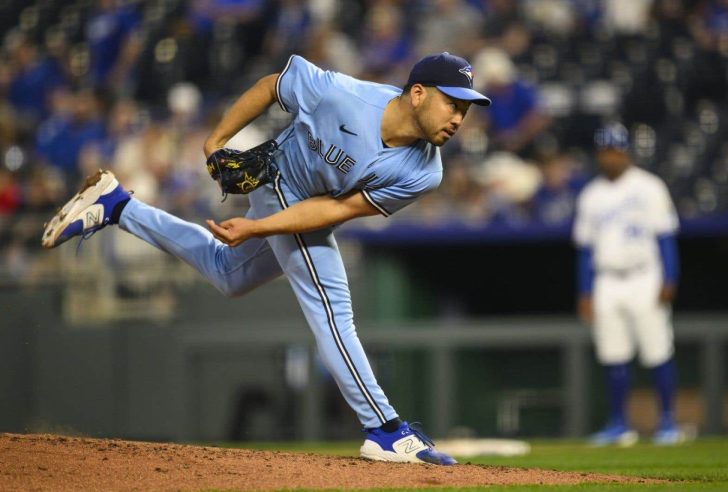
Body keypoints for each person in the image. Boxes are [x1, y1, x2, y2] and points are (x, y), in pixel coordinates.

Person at [42, 52, 490, 464]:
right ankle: (384, 429)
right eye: (452, 103)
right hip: (276, 178)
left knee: (228, 274)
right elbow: (272, 86)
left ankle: (118, 205)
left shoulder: (425, 172)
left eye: (465, 110)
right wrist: (215, 141)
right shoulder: (343, 94)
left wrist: (257, 228)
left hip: (306, 207)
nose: (458, 118)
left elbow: (338, 210)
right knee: (332, 309)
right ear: (417, 93)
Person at [573, 122, 683, 446]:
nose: (610, 156)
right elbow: (585, 250)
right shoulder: (592, 194)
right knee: (612, 353)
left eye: (616, 150)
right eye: (605, 151)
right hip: (607, 280)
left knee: (657, 350)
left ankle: (667, 421)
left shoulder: (649, 187)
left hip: (644, 276)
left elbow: (665, 236)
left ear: (626, 152)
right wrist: (585, 291)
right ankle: (620, 424)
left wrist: (669, 277)